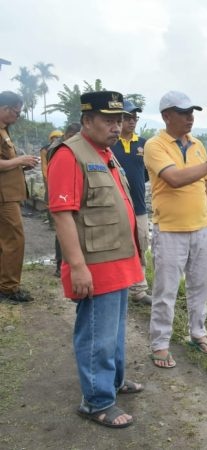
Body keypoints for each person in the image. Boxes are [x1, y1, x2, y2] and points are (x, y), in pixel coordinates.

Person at [48, 91, 144, 428]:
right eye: (108, 119)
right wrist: (77, 267)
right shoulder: (69, 155)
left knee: (115, 332)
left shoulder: (105, 153)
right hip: (94, 266)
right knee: (95, 335)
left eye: (119, 120)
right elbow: (62, 214)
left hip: (117, 261)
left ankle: (113, 382)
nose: (117, 126)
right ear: (87, 120)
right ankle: (96, 401)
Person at [144, 90, 207, 368]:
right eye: (183, 113)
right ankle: (160, 343)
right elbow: (173, 178)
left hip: (200, 229)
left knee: (201, 284)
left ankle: (197, 332)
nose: (190, 118)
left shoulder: (197, 145)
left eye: (191, 113)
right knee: (166, 288)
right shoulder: (155, 146)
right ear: (166, 116)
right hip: (170, 230)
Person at [111, 100, 151, 305]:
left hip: (139, 206)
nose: (132, 121)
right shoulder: (111, 143)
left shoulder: (143, 144)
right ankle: (117, 286)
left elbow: (145, 174)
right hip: (114, 207)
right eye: (128, 117)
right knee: (116, 246)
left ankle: (138, 289)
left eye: (135, 118)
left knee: (141, 244)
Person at [0, 91, 39, 303]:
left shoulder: (4, 130)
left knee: (6, 240)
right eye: (16, 112)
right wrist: (19, 160)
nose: (18, 116)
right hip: (3, 197)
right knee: (15, 239)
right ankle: (8, 288)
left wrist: (21, 163)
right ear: (6, 109)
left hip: (9, 194)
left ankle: (4, 283)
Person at [47, 123, 82, 277]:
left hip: (72, 189)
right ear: (68, 135)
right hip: (61, 191)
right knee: (63, 228)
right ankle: (60, 264)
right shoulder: (57, 150)